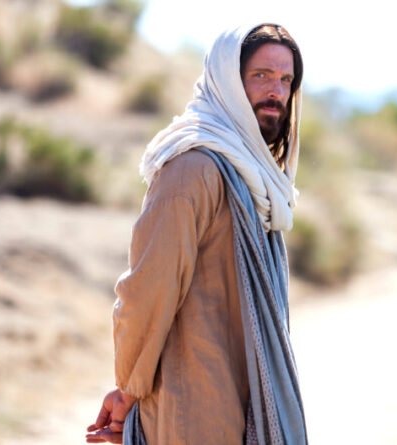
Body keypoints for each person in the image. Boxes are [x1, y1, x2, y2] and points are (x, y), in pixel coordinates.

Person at [85, 23, 307, 445]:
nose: (275, 91)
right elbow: (149, 288)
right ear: (228, 81)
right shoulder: (192, 169)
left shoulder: (256, 178)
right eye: (261, 75)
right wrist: (128, 389)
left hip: (247, 403)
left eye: (285, 80)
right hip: (192, 409)